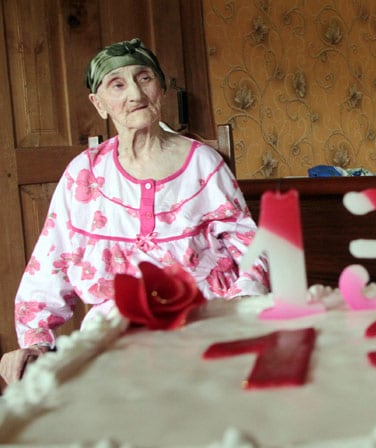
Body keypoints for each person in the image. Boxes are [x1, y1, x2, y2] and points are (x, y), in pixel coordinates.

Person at [0, 38, 269, 389]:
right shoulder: (84, 173)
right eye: (117, 84)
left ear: (161, 87)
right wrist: (36, 341)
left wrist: (242, 310)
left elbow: (251, 248)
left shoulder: (203, 163)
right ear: (99, 104)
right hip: (114, 345)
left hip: (202, 331)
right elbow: (51, 260)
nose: (135, 95)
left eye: (144, 78)